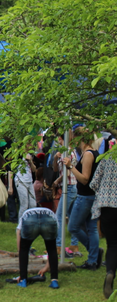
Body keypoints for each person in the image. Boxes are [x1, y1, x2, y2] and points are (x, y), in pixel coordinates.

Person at [63, 127, 102, 271]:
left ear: (80, 138)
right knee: (91, 228)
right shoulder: (91, 152)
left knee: (73, 226)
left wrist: (70, 166)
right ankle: (92, 260)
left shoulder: (88, 155)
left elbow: (85, 179)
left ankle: (94, 253)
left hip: (85, 197)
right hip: (91, 196)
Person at [90, 158, 117, 299]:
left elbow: (94, 183)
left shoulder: (107, 158)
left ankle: (110, 272)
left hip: (107, 205)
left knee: (112, 245)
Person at [16, 207, 59, 289]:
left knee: (24, 249)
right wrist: (47, 267)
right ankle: (54, 281)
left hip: (29, 220)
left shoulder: (25, 214)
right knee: (51, 248)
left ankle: (23, 280)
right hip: (49, 220)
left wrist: (20, 251)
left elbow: (18, 232)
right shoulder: (53, 215)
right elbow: (53, 249)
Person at [53, 133, 79, 256]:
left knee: (59, 217)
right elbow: (55, 169)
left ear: (61, 139)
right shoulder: (63, 152)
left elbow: (67, 173)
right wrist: (54, 158)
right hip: (72, 187)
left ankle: (58, 246)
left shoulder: (67, 152)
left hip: (69, 187)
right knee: (73, 217)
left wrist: (57, 181)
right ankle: (74, 244)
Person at [14, 151, 37, 221]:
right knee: (24, 205)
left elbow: (34, 170)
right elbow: (11, 170)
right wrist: (10, 187)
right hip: (20, 180)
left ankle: (31, 223)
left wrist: (30, 161)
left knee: (33, 204)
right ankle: (20, 225)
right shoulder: (19, 154)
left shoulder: (31, 155)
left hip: (29, 181)